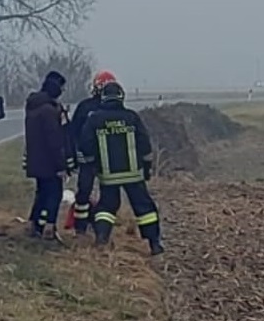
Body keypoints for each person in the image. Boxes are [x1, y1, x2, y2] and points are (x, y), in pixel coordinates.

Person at [79, 82, 164, 255]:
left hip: (108, 175)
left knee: (107, 207)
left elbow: (85, 145)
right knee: (145, 208)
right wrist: (147, 167)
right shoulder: (131, 117)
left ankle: (101, 238)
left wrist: (91, 165)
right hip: (134, 174)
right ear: (121, 97)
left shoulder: (94, 119)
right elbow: (145, 144)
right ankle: (154, 244)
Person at [24, 71, 73, 239]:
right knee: (54, 193)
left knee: (42, 192)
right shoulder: (50, 110)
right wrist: (61, 165)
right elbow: (55, 140)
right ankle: (49, 227)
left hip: (35, 160)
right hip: (50, 162)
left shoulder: (33, 106)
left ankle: (34, 223)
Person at [68, 70, 117, 234]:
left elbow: (73, 132)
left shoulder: (85, 107)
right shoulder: (114, 110)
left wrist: (74, 154)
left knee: (85, 192)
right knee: (102, 194)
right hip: (105, 159)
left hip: (88, 158)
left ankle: (82, 227)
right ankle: (96, 228)